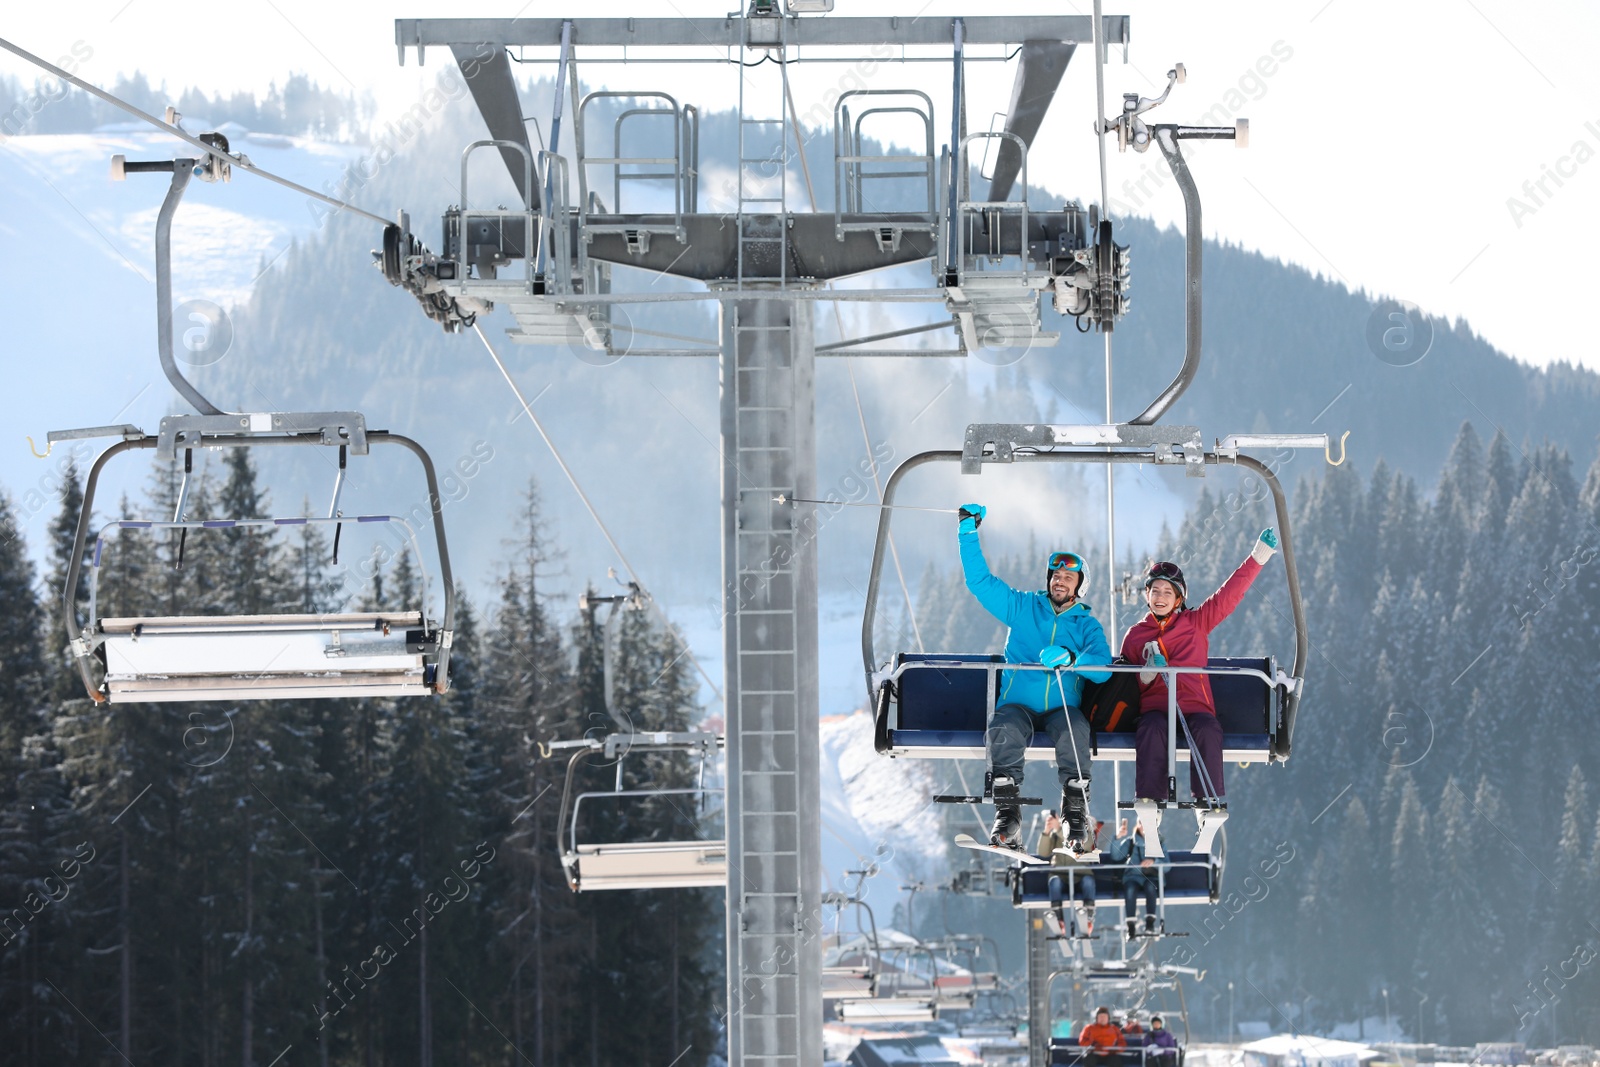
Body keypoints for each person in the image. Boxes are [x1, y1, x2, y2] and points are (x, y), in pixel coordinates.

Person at [958, 504, 1113, 851]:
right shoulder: (1024, 607)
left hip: (1062, 708)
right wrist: (967, 533)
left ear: (1079, 587)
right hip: (1019, 705)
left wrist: (1072, 659)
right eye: (1055, 575)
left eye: (1067, 577)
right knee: (1003, 728)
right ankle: (1007, 814)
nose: (1059, 580)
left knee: (1075, 731)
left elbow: (1102, 669)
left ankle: (1075, 812)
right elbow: (980, 583)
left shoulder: (1086, 625)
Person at [1119, 529, 1280, 853]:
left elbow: (1228, 596)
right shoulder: (1136, 636)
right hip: (1155, 710)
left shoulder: (1196, 623)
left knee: (1207, 730)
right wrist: (1146, 676)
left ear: (1179, 598)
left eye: (1168, 591)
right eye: (1155, 590)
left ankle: (1207, 803)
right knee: (1150, 729)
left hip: (1193, 707)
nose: (1160, 597)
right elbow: (1124, 684)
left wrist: (1257, 558)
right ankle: (1150, 803)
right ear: (1147, 595)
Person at [1108, 817, 1162, 938]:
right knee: (1130, 890)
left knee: (1151, 888)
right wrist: (1118, 837)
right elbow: (1116, 856)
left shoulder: (1157, 842)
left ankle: (1150, 924)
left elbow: (1166, 863)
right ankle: (1131, 926)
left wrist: (1154, 862)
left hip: (1150, 877)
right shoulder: (1130, 842)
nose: (1143, 826)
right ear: (1137, 825)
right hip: (1132, 876)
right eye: (1140, 823)